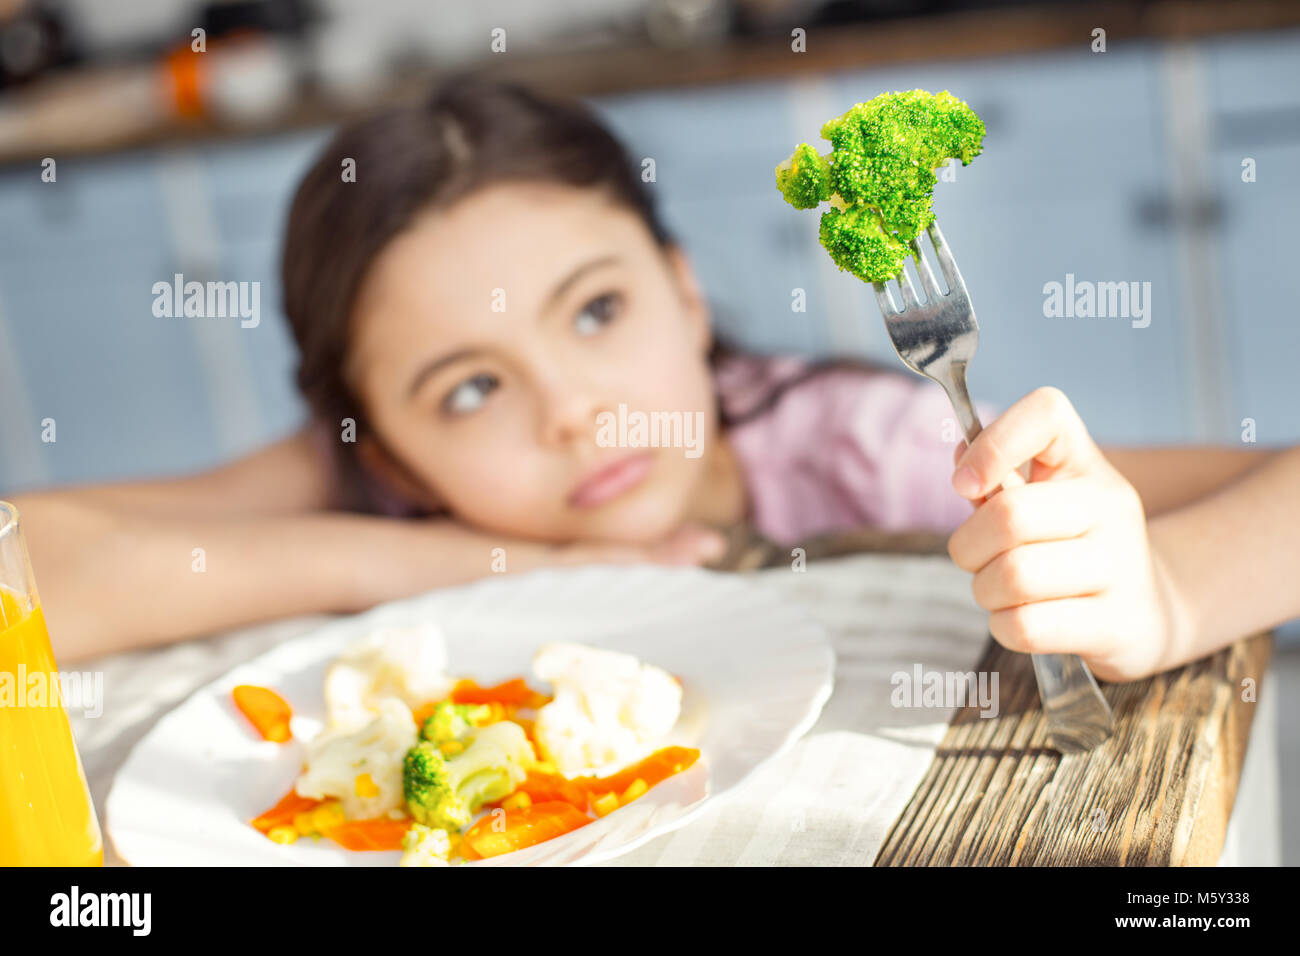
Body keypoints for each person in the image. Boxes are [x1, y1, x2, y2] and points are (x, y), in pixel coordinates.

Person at [9, 76, 1296, 680]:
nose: (573, 410)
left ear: (685, 292)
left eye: (600, 310)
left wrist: (1165, 588)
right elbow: (27, 570)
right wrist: (449, 558)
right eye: (469, 389)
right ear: (386, 450)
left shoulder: (852, 450)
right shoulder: (381, 489)